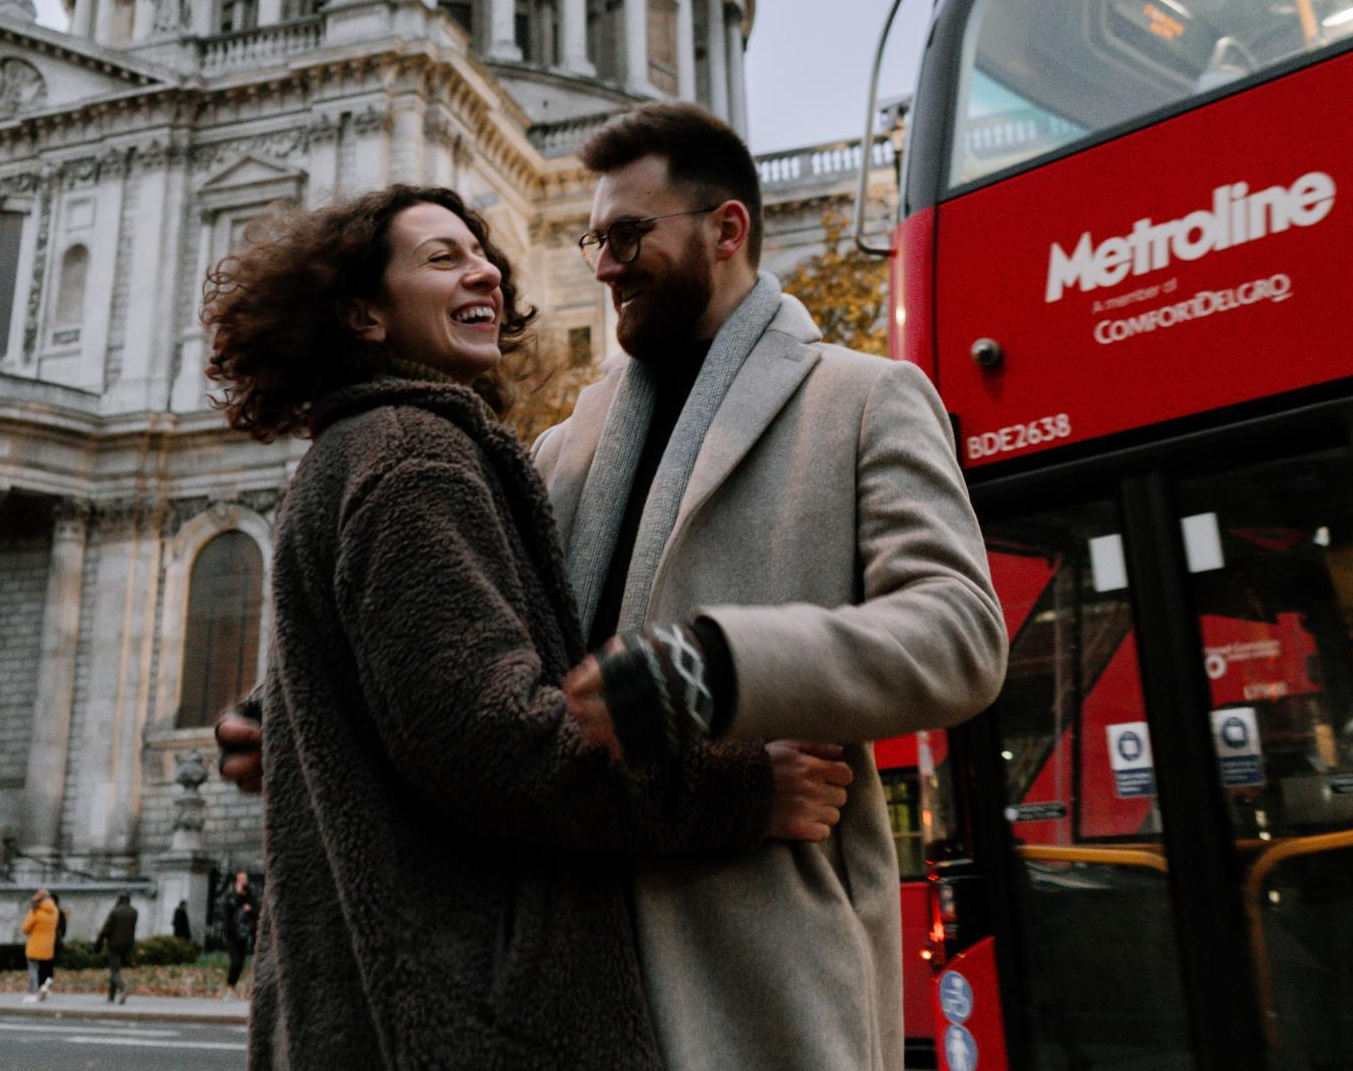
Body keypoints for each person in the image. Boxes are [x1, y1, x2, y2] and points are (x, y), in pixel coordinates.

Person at [199, 186, 852, 1070]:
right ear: (362, 311)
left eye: (485, 257)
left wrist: (277, 722)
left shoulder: (350, 451)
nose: (485, 273)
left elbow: (403, 687)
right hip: (462, 1017)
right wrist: (739, 789)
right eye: (442, 257)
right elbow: (489, 736)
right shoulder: (412, 455)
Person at [545, 101, 1005, 1071]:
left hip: (765, 969)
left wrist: (721, 667)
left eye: (628, 235)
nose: (602, 265)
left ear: (726, 230)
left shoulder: (864, 398)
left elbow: (961, 634)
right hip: (575, 962)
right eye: (594, 239)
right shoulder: (563, 445)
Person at [218, 869, 256, 1000]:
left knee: (240, 964)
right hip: (231, 934)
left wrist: (250, 910)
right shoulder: (230, 895)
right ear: (236, 881)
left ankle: (231, 988)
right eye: (241, 879)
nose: (243, 882)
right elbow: (226, 913)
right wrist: (237, 895)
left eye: (245, 879)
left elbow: (256, 914)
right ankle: (229, 989)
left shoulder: (250, 897)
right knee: (236, 961)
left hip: (244, 935)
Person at [19, 889, 58, 1003]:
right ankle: (44, 991)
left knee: (33, 970)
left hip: (35, 945)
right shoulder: (54, 910)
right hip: (48, 946)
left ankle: (32, 993)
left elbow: (25, 928)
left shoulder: (36, 911)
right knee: (45, 971)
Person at [100, 892, 140, 1003]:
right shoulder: (134, 912)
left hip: (114, 944)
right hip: (127, 945)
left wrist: (99, 943)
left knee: (114, 970)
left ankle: (123, 987)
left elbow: (106, 929)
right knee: (116, 969)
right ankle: (111, 997)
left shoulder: (115, 911)